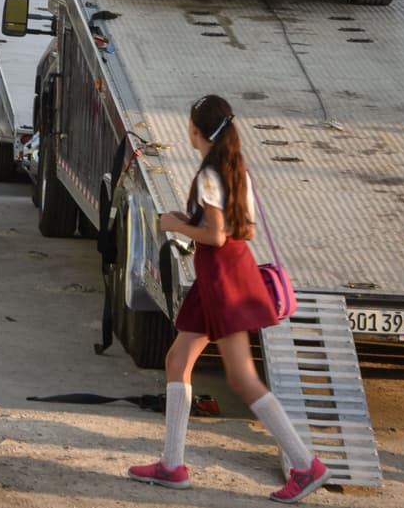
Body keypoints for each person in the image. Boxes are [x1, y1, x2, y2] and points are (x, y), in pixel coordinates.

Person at [128, 95, 330, 504]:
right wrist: (195, 221)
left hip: (221, 278)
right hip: (225, 274)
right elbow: (245, 230)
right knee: (178, 361)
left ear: (196, 131)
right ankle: (171, 464)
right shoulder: (236, 170)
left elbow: (217, 237)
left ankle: (306, 464)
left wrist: (176, 226)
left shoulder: (208, 175)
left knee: (241, 378)